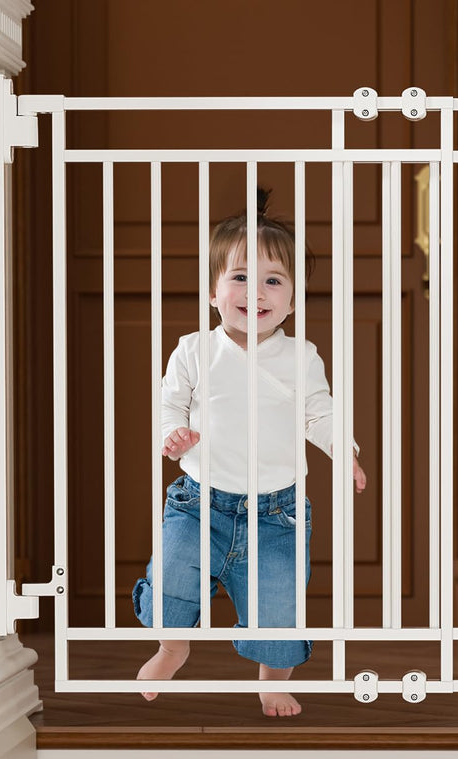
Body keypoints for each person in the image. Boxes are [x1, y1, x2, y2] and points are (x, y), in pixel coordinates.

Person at [132, 190, 366, 717]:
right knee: (171, 584)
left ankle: (272, 681)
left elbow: (321, 412)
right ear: (213, 290)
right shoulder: (194, 349)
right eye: (239, 277)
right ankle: (171, 649)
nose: (255, 292)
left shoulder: (299, 357)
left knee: (279, 612)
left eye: (273, 281)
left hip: (276, 513)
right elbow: (170, 401)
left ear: (293, 299)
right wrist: (174, 434)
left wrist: (342, 450)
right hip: (198, 502)